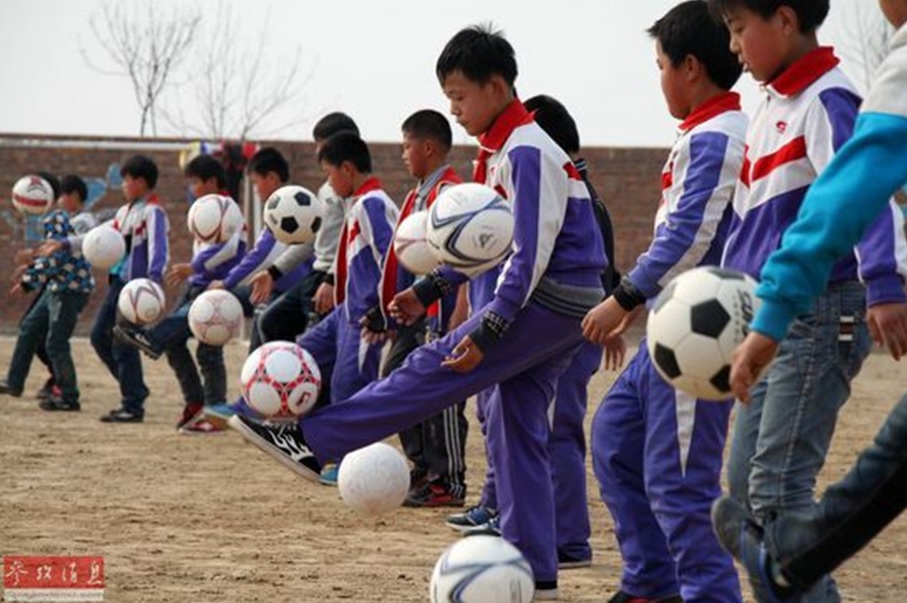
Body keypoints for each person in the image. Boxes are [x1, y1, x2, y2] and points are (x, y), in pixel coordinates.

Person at [228, 25, 608, 600]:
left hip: (549, 299)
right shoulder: (501, 150)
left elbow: (528, 254)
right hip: (558, 300)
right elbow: (486, 246)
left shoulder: (526, 150)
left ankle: (314, 440)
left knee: (430, 369)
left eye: (459, 96)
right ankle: (536, 571)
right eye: (449, 98)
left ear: (497, 86)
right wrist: (429, 288)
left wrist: (491, 327)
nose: (454, 110)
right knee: (517, 425)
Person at [705, 0, 907, 600]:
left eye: (739, 30)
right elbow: (753, 225)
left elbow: (862, 192)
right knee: (746, 492)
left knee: (776, 493)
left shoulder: (828, 98)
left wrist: (884, 279)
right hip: (775, 315)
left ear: (786, 21)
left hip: (822, 312)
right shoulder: (770, 108)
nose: (734, 47)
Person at [581, 3, 746, 601]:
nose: (658, 80)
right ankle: (652, 582)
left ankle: (708, 592)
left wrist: (623, 296)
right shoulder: (702, 132)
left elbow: (688, 236)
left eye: (660, 66)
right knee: (615, 441)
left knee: (679, 482)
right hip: (670, 324)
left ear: (690, 67)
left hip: (703, 333)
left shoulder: (723, 136)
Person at [449, 94, 624, 574]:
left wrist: (610, 322)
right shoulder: (534, 180)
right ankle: (510, 517)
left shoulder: (573, 191)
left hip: (565, 327)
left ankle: (568, 539)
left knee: (557, 429)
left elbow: (598, 270)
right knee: (512, 423)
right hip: (535, 325)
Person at [366, 108, 468, 506]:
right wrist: (386, 309)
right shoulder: (416, 196)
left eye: (406, 146)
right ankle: (422, 465)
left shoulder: (452, 195)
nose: (403, 154)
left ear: (428, 147)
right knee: (396, 378)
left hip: (443, 311)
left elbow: (467, 256)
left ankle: (448, 480)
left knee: (441, 392)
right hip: (416, 314)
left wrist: (460, 308)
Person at [292, 131, 398, 486]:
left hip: (365, 316)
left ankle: (350, 460)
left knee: (348, 387)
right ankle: (296, 434)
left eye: (329, 173)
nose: (328, 182)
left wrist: (383, 310)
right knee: (301, 355)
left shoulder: (371, 204)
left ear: (347, 169)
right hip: (345, 312)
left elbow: (390, 257)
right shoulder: (359, 203)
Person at [115, 155, 246, 433]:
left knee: (208, 351)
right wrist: (194, 270)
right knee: (175, 344)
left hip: (216, 289)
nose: (192, 188)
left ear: (212, 182)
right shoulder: (203, 210)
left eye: (195, 182)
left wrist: (194, 266)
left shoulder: (230, 210)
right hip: (196, 285)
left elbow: (231, 248)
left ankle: (215, 411)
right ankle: (196, 403)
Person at [248, 113, 358, 344]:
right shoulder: (325, 189)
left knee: (314, 346)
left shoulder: (354, 192)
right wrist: (273, 272)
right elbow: (311, 239)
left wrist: (332, 280)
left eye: (321, 145)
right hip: (315, 276)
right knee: (271, 322)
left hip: (334, 281)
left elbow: (352, 242)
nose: (317, 151)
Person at [0, 175, 97, 412]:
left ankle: (69, 395)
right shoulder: (61, 219)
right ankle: (14, 382)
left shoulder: (75, 220)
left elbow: (58, 257)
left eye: (63, 195)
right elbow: (51, 256)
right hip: (55, 286)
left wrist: (29, 281)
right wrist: (32, 268)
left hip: (69, 290)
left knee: (56, 342)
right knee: (29, 328)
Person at [209, 147, 310, 347]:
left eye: (256, 182)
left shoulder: (286, 207)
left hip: (294, 292)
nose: (255, 190)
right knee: (257, 311)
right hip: (277, 288)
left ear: (272, 178)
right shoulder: (286, 204)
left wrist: (227, 282)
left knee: (258, 316)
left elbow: (261, 255)